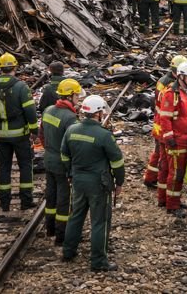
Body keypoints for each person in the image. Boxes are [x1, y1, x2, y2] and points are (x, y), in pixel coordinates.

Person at [62, 95, 125, 272]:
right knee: (100, 221)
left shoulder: (71, 130)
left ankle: (68, 251)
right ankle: (98, 261)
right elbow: (117, 162)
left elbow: (64, 155)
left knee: (76, 215)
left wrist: (70, 173)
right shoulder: (104, 135)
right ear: (98, 113)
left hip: (78, 181)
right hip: (98, 184)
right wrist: (119, 182)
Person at [0, 53, 38, 211]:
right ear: (15, 67)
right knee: (25, 166)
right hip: (20, 135)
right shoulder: (21, 87)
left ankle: (4, 202)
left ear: (0, 68)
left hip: (1, 136)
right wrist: (34, 131)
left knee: (4, 168)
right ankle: (26, 200)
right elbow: (30, 112)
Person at [158, 61, 187, 215]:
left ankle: (171, 200)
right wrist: (169, 137)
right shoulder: (171, 94)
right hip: (176, 141)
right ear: (181, 77)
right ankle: (171, 205)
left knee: (180, 172)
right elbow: (164, 118)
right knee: (175, 173)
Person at [40, 78, 83, 244]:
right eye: (77, 95)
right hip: (62, 164)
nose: (78, 98)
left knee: (51, 196)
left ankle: (49, 227)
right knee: (64, 199)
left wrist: (49, 149)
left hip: (49, 159)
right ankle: (61, 235)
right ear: (71, 95)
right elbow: (73, 146)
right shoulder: (70, 118)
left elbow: (41, 135)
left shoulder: (48, 110)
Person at [145, 55, 187, 190]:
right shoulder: (171, 85)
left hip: (158, 122)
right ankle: (157, 181)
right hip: (164, 124)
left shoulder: (162, 80)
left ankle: (150, 178)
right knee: (163, 155)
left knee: (157, 151)